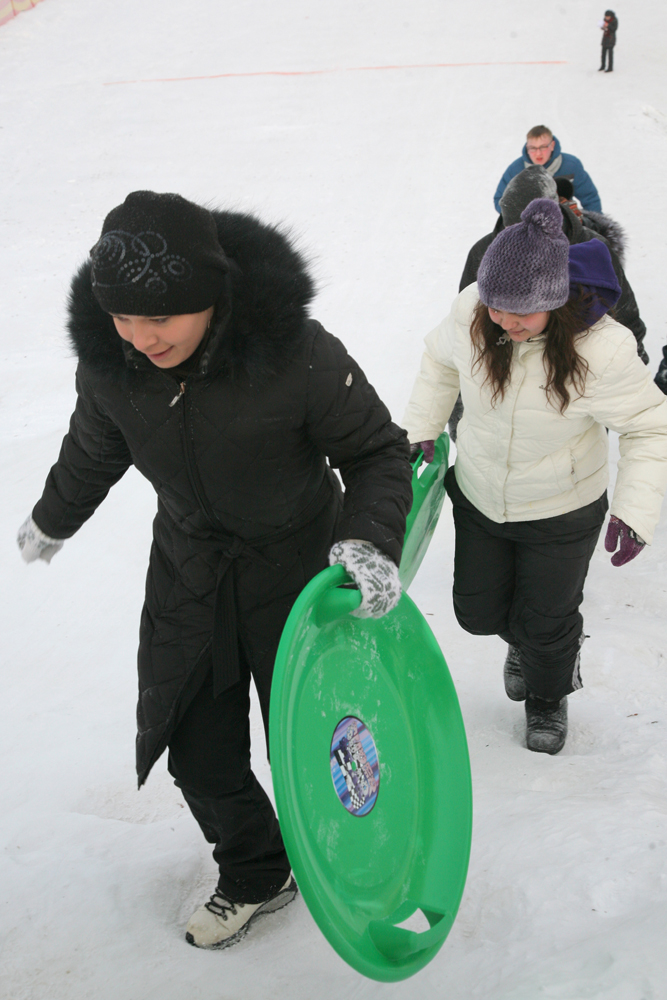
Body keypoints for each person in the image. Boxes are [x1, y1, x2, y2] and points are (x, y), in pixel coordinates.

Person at [16, 191, 413, 949]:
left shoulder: (295, 351)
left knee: (328, 746)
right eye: (123, 318)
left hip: (303, 582)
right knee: (197, 754)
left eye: (159, 317)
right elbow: (95, 446)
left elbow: (375, 451)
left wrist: (366, 544)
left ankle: (361, 865)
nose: (140, 336)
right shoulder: (114, 367)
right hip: (192, 575)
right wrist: (52, 517)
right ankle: (258, 871)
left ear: (208, 296)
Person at [403, 198, 667, 755]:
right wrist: (424, 424)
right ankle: (523, 641)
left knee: (547, 624)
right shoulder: (473, 312)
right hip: (480, 494)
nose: (506, 322)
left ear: (555, 299)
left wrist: (635, 509)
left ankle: (549, 695)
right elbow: (439, 360)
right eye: (498, 309)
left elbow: (651, 428)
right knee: (476, 612)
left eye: (522, 313)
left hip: (562, 507)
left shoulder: (602, 350)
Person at [493, 126, 602, 214]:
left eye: (543, 147)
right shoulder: (515, 170)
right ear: (527, 148)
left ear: (552, 145)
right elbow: (500, 200)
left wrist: (593, 226)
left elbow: (590, 197)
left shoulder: (571, 165)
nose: (538, 153)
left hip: (564, 223)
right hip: (529, 226)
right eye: (533, 148)